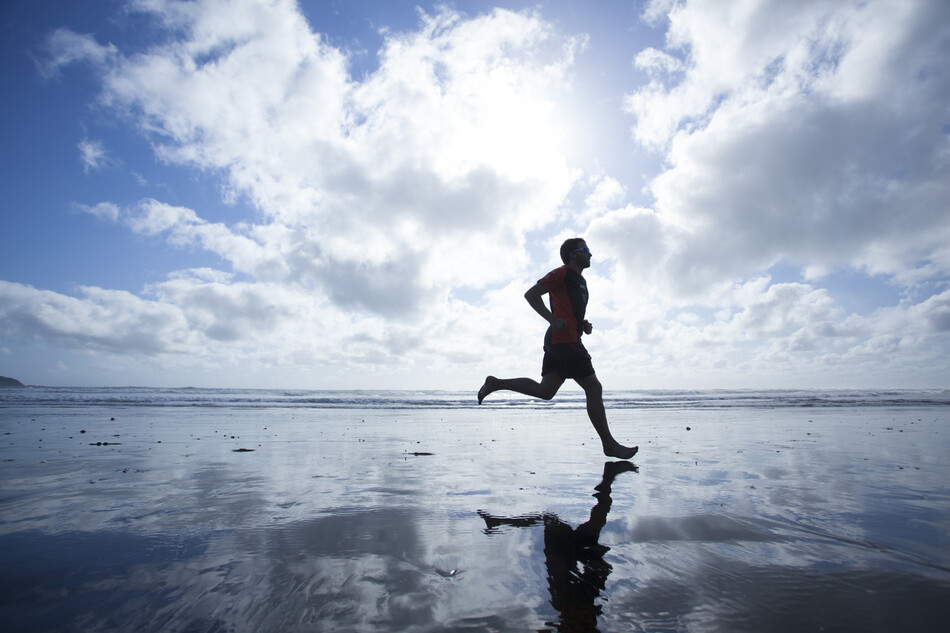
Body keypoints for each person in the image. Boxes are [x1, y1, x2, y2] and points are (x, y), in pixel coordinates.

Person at [478, 238, 637, 459]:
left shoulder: (580, 281)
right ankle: (608, 444)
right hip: (565, 341)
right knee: (593, 387)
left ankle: (497, 383)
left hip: (562, 340)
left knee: (546, 391)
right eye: (585, 250)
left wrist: (582, 324)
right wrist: (552, 320)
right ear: (572, 254)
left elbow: (570, 309)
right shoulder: (561, 273)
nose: (590, 254)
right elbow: (531, 294)